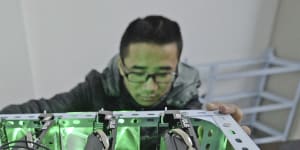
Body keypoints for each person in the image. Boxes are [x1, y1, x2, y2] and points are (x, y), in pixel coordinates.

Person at [0, 15, 247, 132]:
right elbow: (42, 108)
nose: (150, 88)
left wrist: (226, 133)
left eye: (163, 74)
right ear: (121, 65)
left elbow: (197, 132)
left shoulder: (185, 99)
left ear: (177, 67)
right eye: (138, 73)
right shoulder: (96, 88)